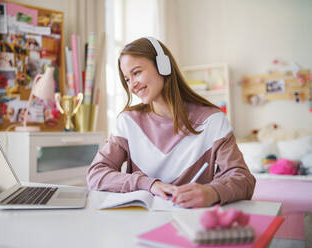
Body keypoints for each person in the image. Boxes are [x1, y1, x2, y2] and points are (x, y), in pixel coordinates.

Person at [86, 37, 255, 208]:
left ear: (163, 66)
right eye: (127, 79)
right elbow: (96, 174)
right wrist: (149, 184)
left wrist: (212, 192)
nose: (132, 86)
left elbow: (243, 178)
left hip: (191, 224)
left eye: (136, 73)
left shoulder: (213, 120)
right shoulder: (127, 121)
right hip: (139, 224)